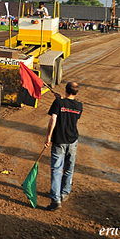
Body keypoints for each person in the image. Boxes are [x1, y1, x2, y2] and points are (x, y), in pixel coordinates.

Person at [45, 81, 83, 211]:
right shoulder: (79, 106)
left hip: (59, 140)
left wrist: (48, 136)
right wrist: (60, 101)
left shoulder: (58, 103)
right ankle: (64, 193)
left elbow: (54, 119)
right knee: (69, 168)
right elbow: (69, 113)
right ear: (77, 93)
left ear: (66, 90)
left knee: (56, 169)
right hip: (72, 141)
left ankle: (55, 199)